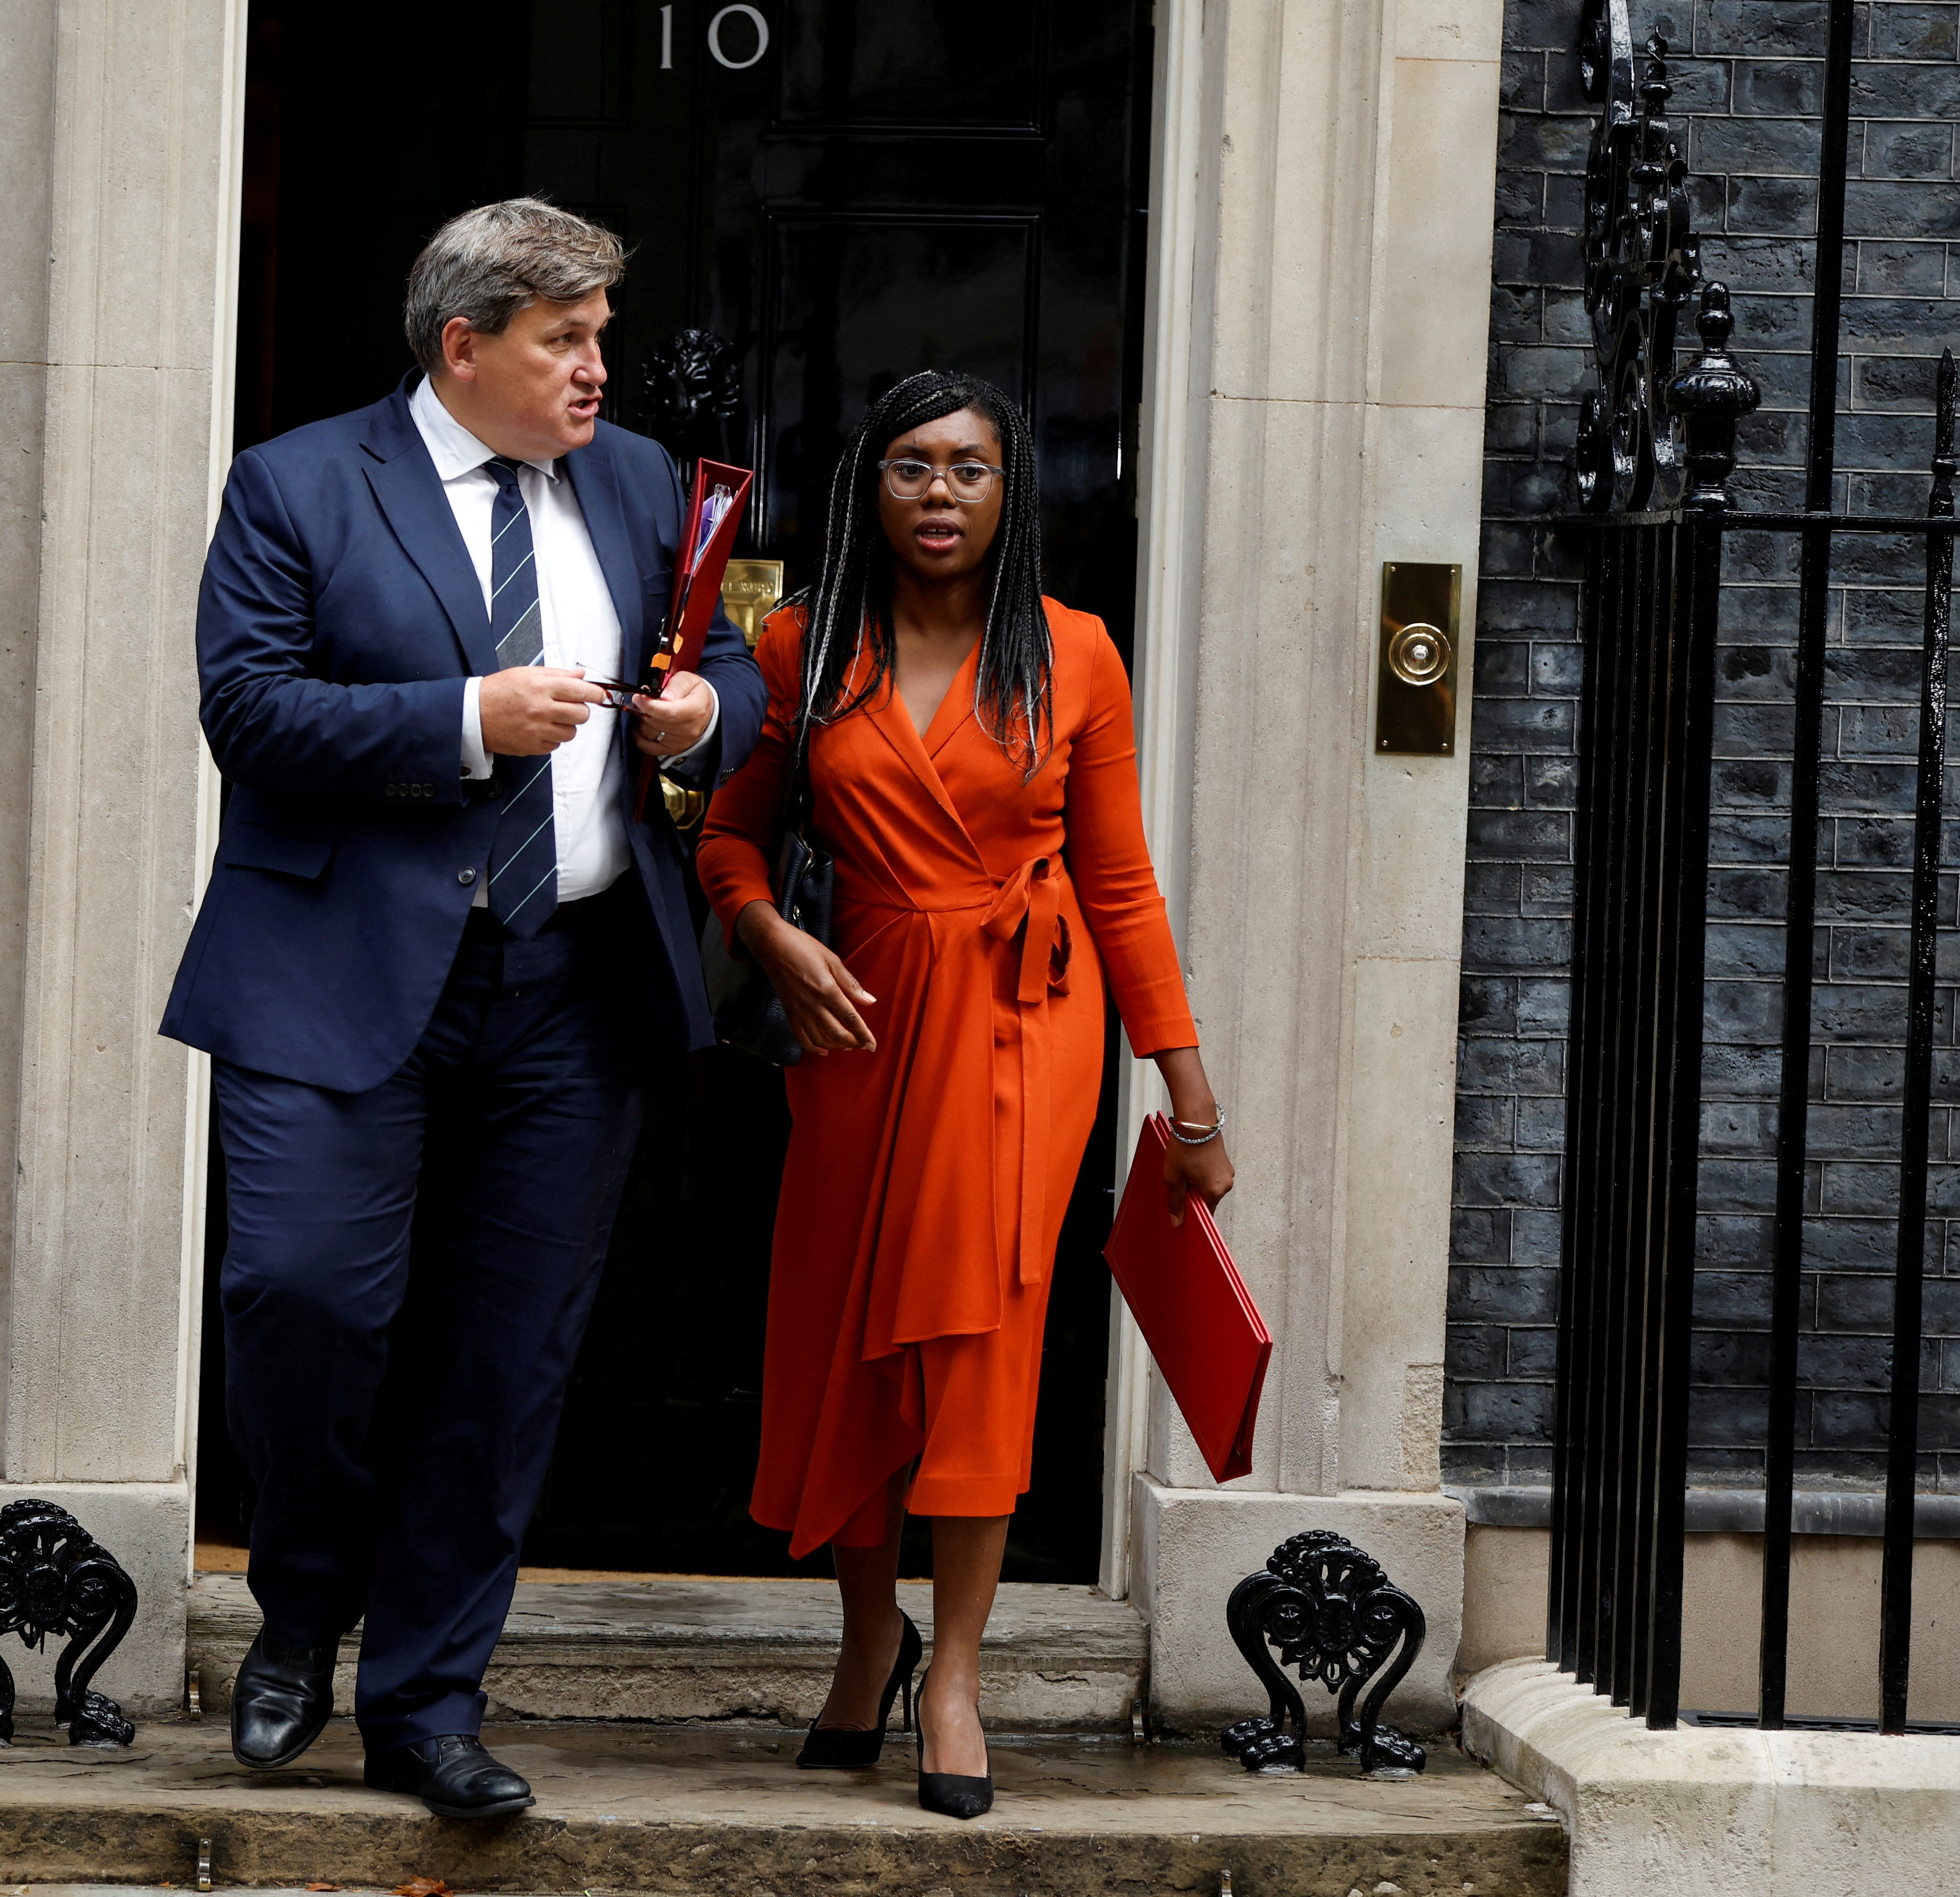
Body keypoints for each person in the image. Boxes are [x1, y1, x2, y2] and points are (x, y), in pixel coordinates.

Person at [161, 199, 766, 1820]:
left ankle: (427, 1701)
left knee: (504, 1363)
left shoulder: (638, 484)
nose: (598, 369)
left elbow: (745, 666)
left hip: (571, 987)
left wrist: (707, 714)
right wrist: (462, 718)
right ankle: (300, 1606)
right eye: (566, 339)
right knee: (303, 1301)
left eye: (601, 337)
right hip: (338, 977)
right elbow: (248, 707)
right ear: (464, 345)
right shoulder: (299, 482)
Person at [698, 371, 1233, 1820]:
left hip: (1020, 1024)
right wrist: (768, 932)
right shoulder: (802, 646)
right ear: (870, 484)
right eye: (913, 467)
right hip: (854, 1011)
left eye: (973, 470)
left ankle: (958, 1677)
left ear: (1015, 494)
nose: (942, 494)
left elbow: (1121, 888)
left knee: (980, 1341)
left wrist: (1189, 1105)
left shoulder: (1075, 657)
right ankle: (871, 1636)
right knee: (846, 1340)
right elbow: (729, 840)